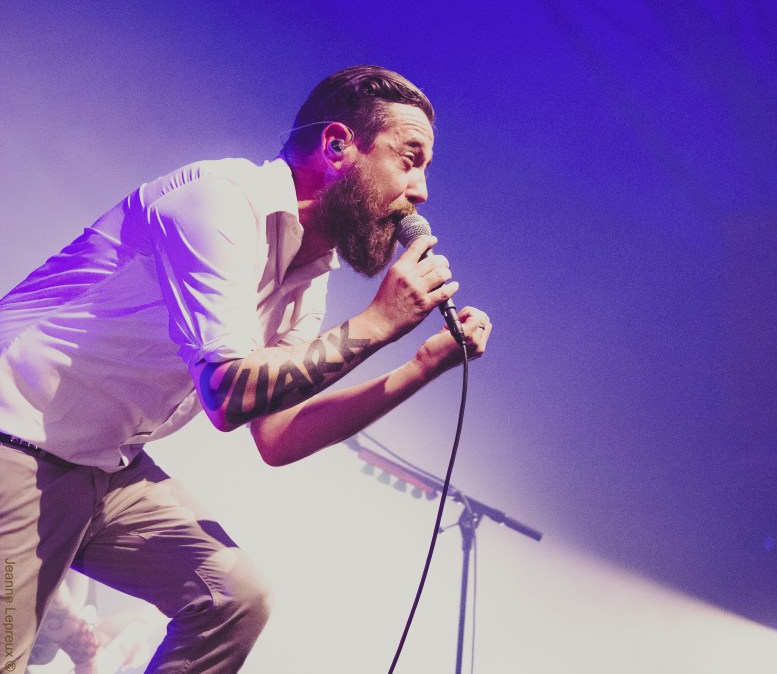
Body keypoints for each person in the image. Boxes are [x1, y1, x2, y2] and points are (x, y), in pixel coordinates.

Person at [0, 65, 491, 674]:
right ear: (338, 145)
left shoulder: (309, 269)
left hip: (102, 463)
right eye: (409, 160)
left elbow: (279, 436)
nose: (421, 191)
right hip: (17, 438)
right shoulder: (222, 201)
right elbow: (228, 394)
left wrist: (421, 366)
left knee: (234, 599)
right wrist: (377, 323)